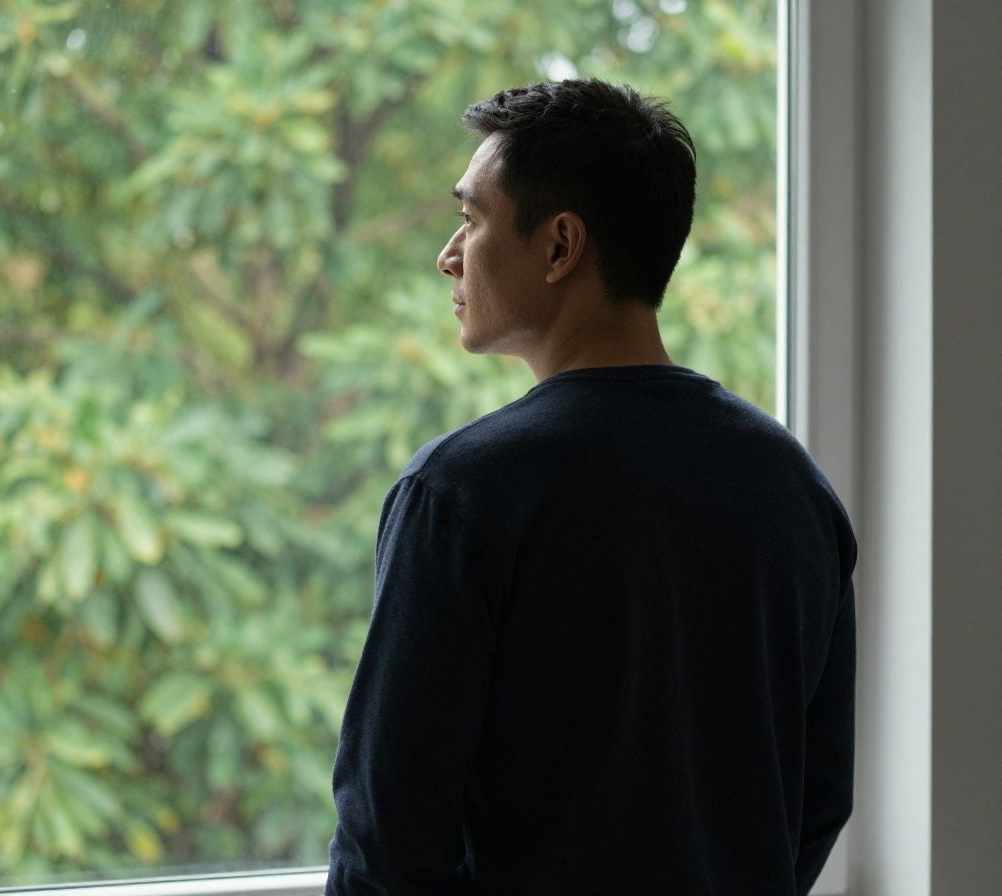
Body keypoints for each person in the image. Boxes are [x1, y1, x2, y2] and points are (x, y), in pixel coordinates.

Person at [324, 79, 856, 896]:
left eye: (471, 219)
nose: (448, 254)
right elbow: (816, 800)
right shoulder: (794, 490)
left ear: (559, 245)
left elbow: (387, 846)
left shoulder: (462, 495)